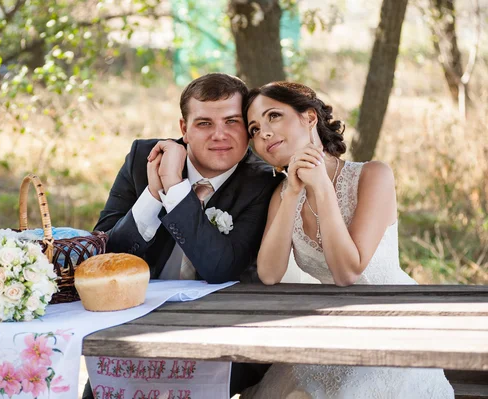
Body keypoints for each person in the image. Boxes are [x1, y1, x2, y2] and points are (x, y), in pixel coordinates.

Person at [240, 81, 454, 398]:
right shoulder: (281, 196)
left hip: (392, 324)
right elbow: (270, 273)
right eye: (254, 129)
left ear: (309, 117)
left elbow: (348, 273)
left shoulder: (373, 175)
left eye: (273, 116)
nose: (264, 134)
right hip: (335, 328)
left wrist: (322, 188)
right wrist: (293, 193)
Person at [82, 73, 280, 398]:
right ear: (184, 129)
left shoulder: (263, 183)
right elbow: (105, 258)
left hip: (217, 332)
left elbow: (221, 268)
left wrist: (175, 187)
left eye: (232, 121)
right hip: (136, 321)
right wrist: (154, 193)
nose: (220, 135)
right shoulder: (142, 158)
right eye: (204, 123)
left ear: (247, 127)